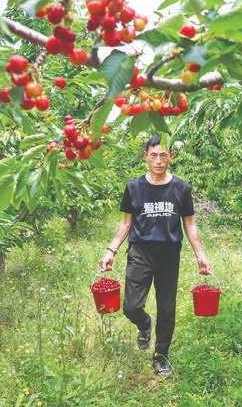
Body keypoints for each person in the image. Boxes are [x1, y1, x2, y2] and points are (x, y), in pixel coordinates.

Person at [99, 134, 212, 377]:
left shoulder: (181, 188)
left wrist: (200, 254)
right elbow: (126, 224)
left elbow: (190, 225)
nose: (159, 160)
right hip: (140, 252)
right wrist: (111, 250)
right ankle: (144, 324)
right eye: (154, 155)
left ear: (170, 156)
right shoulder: (134, 187)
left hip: (169, 255)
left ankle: (161, 357)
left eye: (163, 155)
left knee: (167, 308)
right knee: (130, 306)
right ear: (145, 157)